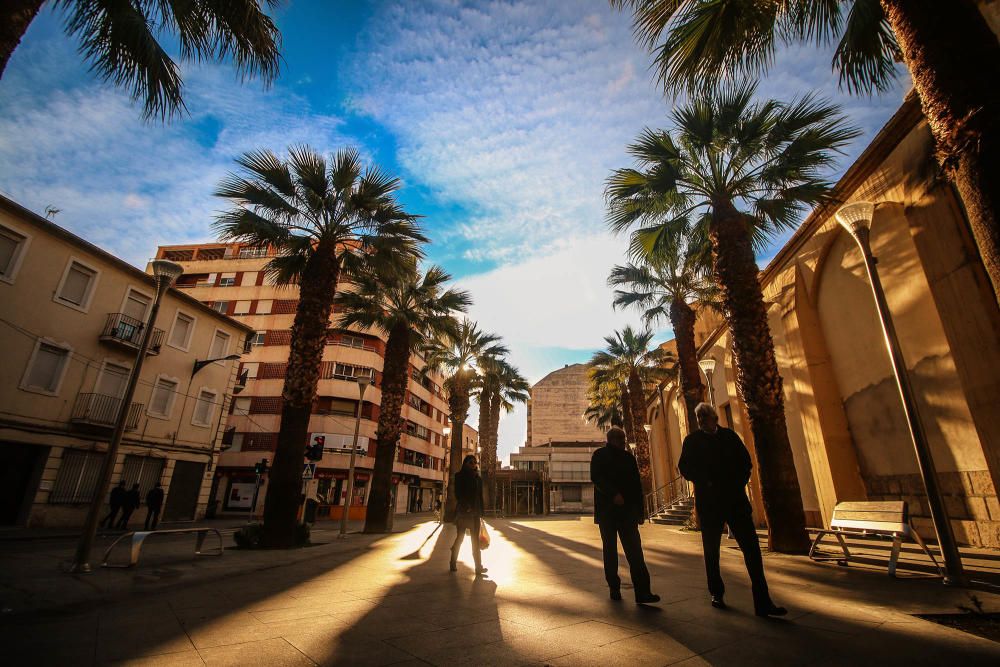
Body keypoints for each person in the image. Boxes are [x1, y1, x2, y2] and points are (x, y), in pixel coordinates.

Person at [678, 402, 787, 617]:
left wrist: (736, 482)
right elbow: (685, 467)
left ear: (714, 418)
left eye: (704, 418)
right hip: (709, 504)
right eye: (699, 419)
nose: (701, 422)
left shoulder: (729, 437)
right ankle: (716, 593)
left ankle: (763, 601)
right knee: (712, 551)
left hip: (735, 500)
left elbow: (746, 462)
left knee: (752, 551)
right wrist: (705, 481)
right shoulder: (692, 441)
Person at [591, 424, 660, 604]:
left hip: (627, 512)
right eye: (621, 440)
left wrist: (640, 512)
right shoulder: (599, 456)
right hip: (607, 512)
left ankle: (643, 592)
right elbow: (596, 478)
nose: (624, 442)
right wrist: (614, 494)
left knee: (635, 552)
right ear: (612, 440)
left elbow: (637, 486)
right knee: (610, 551)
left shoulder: (629, 458)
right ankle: (614, 587)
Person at [450, 455, 487, 575]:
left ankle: (478, 567)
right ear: (465, 463)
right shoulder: (459, 476)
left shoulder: (478, 478)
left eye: (475, 462)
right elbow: (458, 494)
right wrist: (467, 507)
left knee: (475, 541)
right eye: (470, 462)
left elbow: (480, 496)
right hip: (463, 513)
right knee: (460, 538)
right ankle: (453, 562)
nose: (473, 464)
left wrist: (482, 512)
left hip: (475, 513)